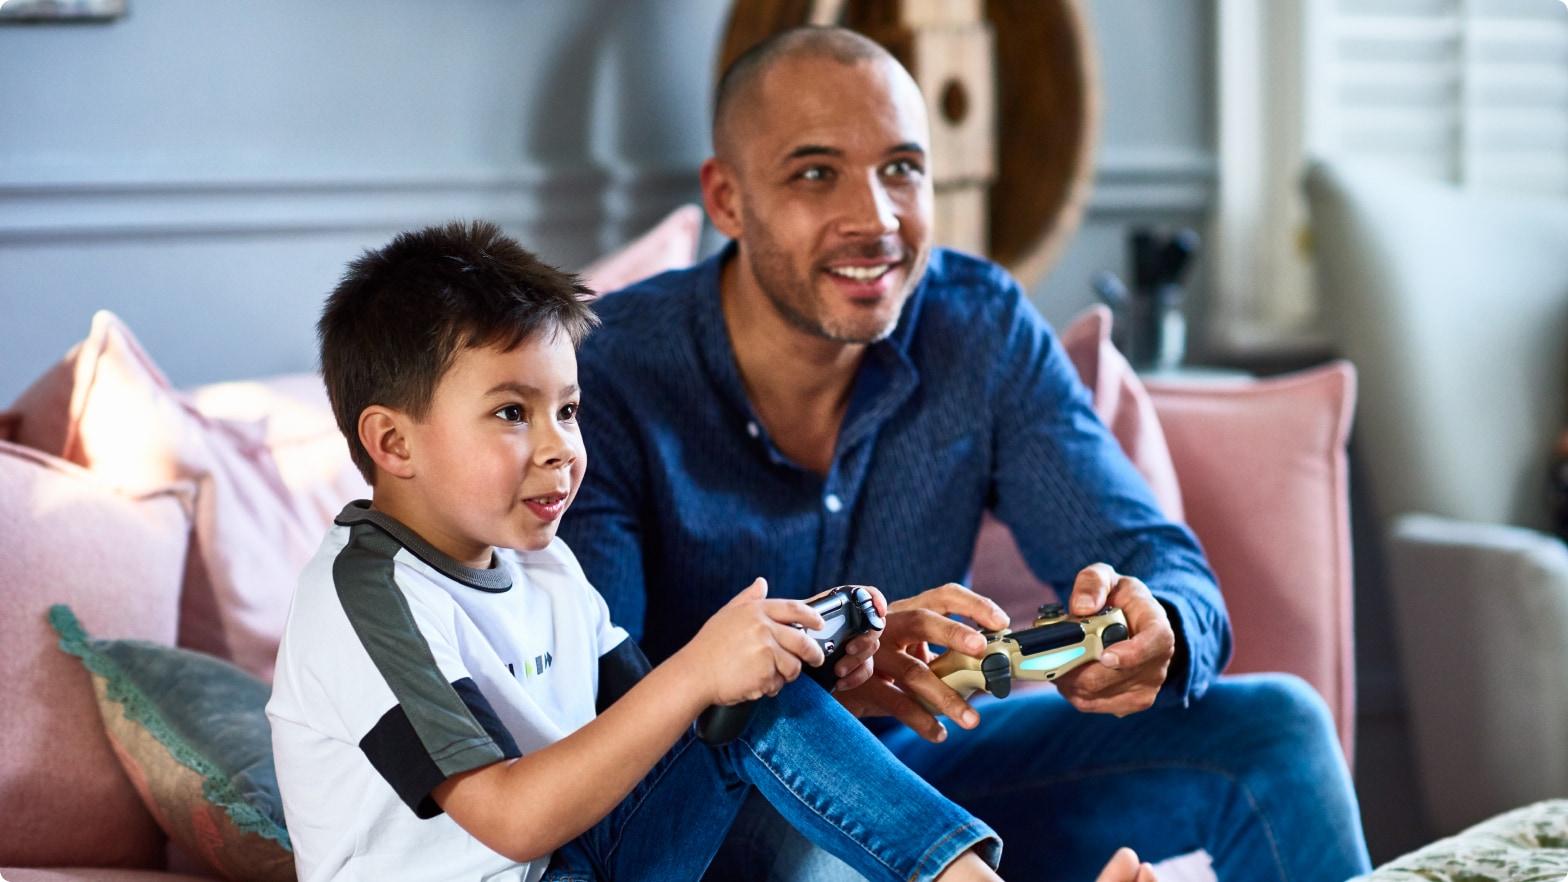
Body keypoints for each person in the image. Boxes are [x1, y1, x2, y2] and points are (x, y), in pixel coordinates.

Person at [558, 26, 1373, 882]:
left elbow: (1155, 557)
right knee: (811, 828)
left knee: (1278, 728)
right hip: (719, 818)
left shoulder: (979, 328)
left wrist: (1158, 622)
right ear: (726, 199)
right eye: (814, 173)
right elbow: (600, 709)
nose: (875, 219)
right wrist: (830, 673)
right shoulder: (605, 380)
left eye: (903, 169)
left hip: (928, 772)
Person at [265, 221, 1157, 882]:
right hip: (543, 860)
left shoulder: (544, 567)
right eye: (511, 412)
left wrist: (816, 667)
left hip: (591, 863)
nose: (560, 447)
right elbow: (505, 819)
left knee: (751, 714)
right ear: (392, 443)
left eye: (569, 409)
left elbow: (671, 732)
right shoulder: (370, 594)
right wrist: (702, 672)